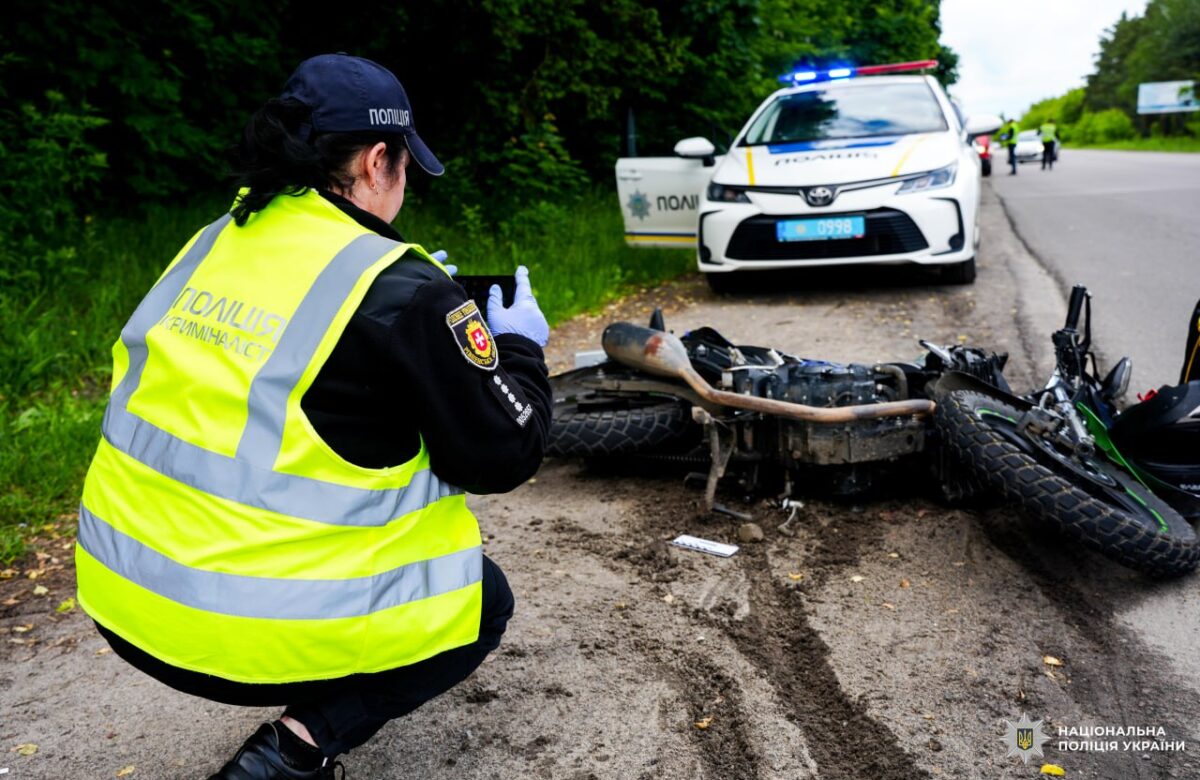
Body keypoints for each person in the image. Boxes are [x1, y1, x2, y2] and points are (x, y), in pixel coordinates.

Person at [74, 53, 552, 779]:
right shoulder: (400, 289)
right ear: (377, 159)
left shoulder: (214, 239)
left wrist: (416, 320)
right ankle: (293, 752)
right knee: (478, 601)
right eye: (404, 169)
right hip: (240, 633)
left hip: (124, 602)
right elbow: (504, 455)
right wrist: (516, 347)